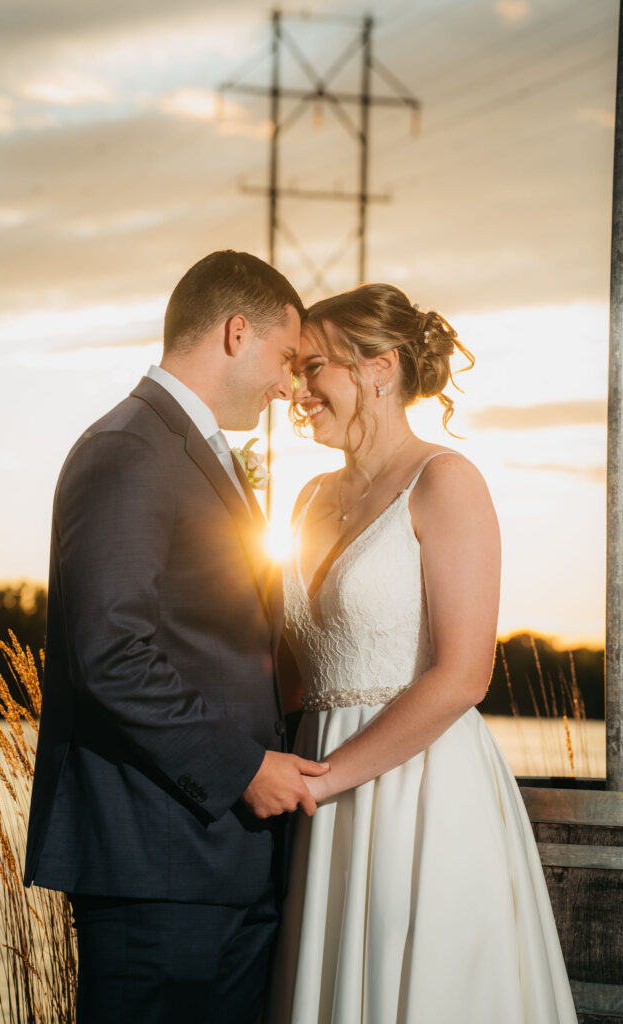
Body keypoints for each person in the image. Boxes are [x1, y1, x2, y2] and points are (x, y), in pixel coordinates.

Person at [23, 250, 331, 1024]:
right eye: (284, 357)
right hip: (154, 862)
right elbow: (110, 653)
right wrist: (243, 768)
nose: (287, 386)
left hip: (226, 860)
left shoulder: (191, 452)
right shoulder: (129, 447)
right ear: (236, 332)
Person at [266, 283, 577, 1023]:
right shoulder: (307, 497)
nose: (297, 391)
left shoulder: (444, 481)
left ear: (380, 368)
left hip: (420, 790)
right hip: (313, 790)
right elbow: (290, 670)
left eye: (314, 368)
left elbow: (464, 676)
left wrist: (324, 781)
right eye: (296, 371)